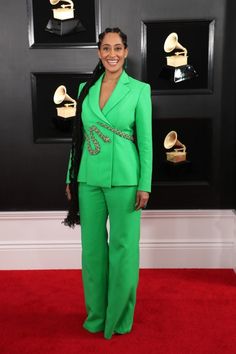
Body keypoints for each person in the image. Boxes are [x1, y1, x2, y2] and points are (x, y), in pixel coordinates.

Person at [64, 27, 153, 340]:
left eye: (117, 48)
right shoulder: (84, 88)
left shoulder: (139, 90)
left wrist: (145, 184)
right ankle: (97, 316)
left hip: (126, 180)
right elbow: (78, 138)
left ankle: (118, 317)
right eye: (105, 48)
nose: (111, 54)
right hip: (89, 178)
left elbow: (145, 142)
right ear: (99, 52)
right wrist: (71, 177)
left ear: (126, 52)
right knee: (92, 252)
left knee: (123, 249)